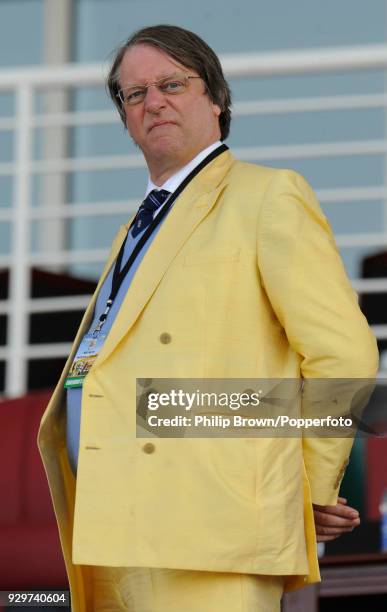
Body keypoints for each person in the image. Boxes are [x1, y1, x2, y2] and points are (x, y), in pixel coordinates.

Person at [38, 24, 378, 612]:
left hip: (208, 530)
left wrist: (312, 488)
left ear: (217, 99)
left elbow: (342, 354)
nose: (154, 101)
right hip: (112, 523)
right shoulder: (137, 227)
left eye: (172, 83)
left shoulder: (267, 196)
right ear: (124, 118)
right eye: (135, 94)